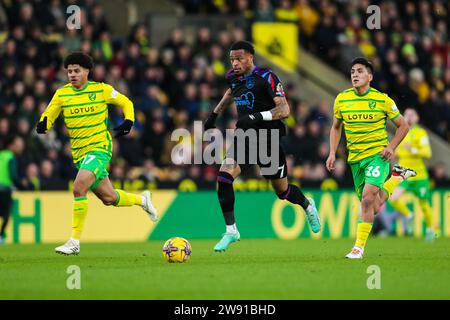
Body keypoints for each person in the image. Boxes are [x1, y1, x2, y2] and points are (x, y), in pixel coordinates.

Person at [36, 52, 158, 255]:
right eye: (69, 71)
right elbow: (50, 112)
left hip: (100, 149)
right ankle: (143, 200)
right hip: (80, 154)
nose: (72, 75)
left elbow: (126, 102)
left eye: (76, 71)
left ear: (87, 71)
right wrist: (44, 124)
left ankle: (74, 241)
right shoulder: (62, 94)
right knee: (109, 198)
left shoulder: (101, 90)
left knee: (78, 188)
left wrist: (128, 121)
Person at [204, 41, 320, 252]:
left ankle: (307, 204)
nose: (235, 63)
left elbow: (284, 110)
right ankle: (231, 231)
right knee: (224, 176)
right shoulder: (233, 78)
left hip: (269, 139)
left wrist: (257, 116)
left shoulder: (267, 77)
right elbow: (230, 93)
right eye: (231, 59)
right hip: (246, 137)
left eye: (239, 59)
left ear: (250, 57)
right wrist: (214, 114)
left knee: (282, 192)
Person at [326, 57, 416, 259]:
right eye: (352, 72)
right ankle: (397, 178)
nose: (354, 75)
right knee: (373, 207)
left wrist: (391, 147)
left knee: (367, 199)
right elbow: (335, 127)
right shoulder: (342, 99)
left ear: (370, 76)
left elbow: (403, 125)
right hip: (355, 160)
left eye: (359, 71)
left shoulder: (382, 100)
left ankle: (358, 248)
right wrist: (332, 152)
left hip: (377, 156)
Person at [388, 108, 436, 240]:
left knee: (423, 203)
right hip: (403, 173)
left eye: (412, 114)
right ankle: (408, 215)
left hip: (419, 175)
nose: (409, 117)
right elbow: (397, 152)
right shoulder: (401, 132)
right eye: (406, 114)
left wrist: (413, 149)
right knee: (392, 197)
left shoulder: (420, 133)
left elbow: (427, 153)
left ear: (417, 118)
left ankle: (431, 229)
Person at [0, 136, 25, 244]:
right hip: (4, 189)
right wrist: (22, 186)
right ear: (10, 146)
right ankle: (1, 236)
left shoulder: (1, 155)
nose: (18, 147)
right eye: (16, 145)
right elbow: (13, 176)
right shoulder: (11, 157)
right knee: (6, 214)